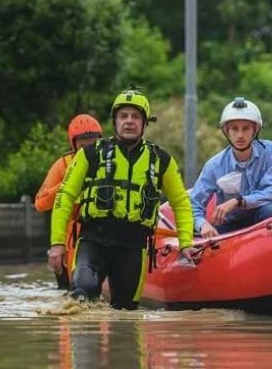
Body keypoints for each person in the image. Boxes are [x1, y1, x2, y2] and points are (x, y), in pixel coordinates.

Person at [49, 88, 198, 309]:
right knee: (82, 292)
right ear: (115, 121)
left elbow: (181, 203)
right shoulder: (90, 154)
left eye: (136, 117)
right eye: (123, 116)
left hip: (133, 247)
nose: (129, 121)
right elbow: (65, 196)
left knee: (126, 314)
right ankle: (83, 341)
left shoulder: (161, 160)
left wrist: (186, 242)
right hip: (93, 240)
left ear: (145, 123)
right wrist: (57, 243)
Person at [190, 97, 272, 238]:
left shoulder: (270, 151)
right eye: (234, 129)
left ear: (255, 130)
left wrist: (238, 201)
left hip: (261, 220)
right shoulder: (214, 165)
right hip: (228, 226)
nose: (240, 135)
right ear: (226, 131)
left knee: (270, 209)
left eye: (246, 129)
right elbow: (194, 204)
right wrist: (203, 224)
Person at [35, 114, 102, 290]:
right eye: (83, 146)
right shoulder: (62, 165)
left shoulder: (108, 162)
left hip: (98, 236)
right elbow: (40, 203)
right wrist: (69, 183)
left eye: (93, 145)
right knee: (67, 293)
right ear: (73, 145)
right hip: (69, 240)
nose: (88, 151)